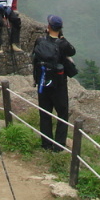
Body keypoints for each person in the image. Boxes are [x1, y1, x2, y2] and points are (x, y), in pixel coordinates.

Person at [31, 14, 76, 152]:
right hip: (59, 84)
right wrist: (62, 38)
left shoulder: (40, 41)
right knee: (62, 114)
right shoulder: (63, 44)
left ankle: (46, 144)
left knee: (45, 114)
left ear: (48, 26)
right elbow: (72, 51)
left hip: (43, 82)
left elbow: (34, 57)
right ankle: (59, 146)